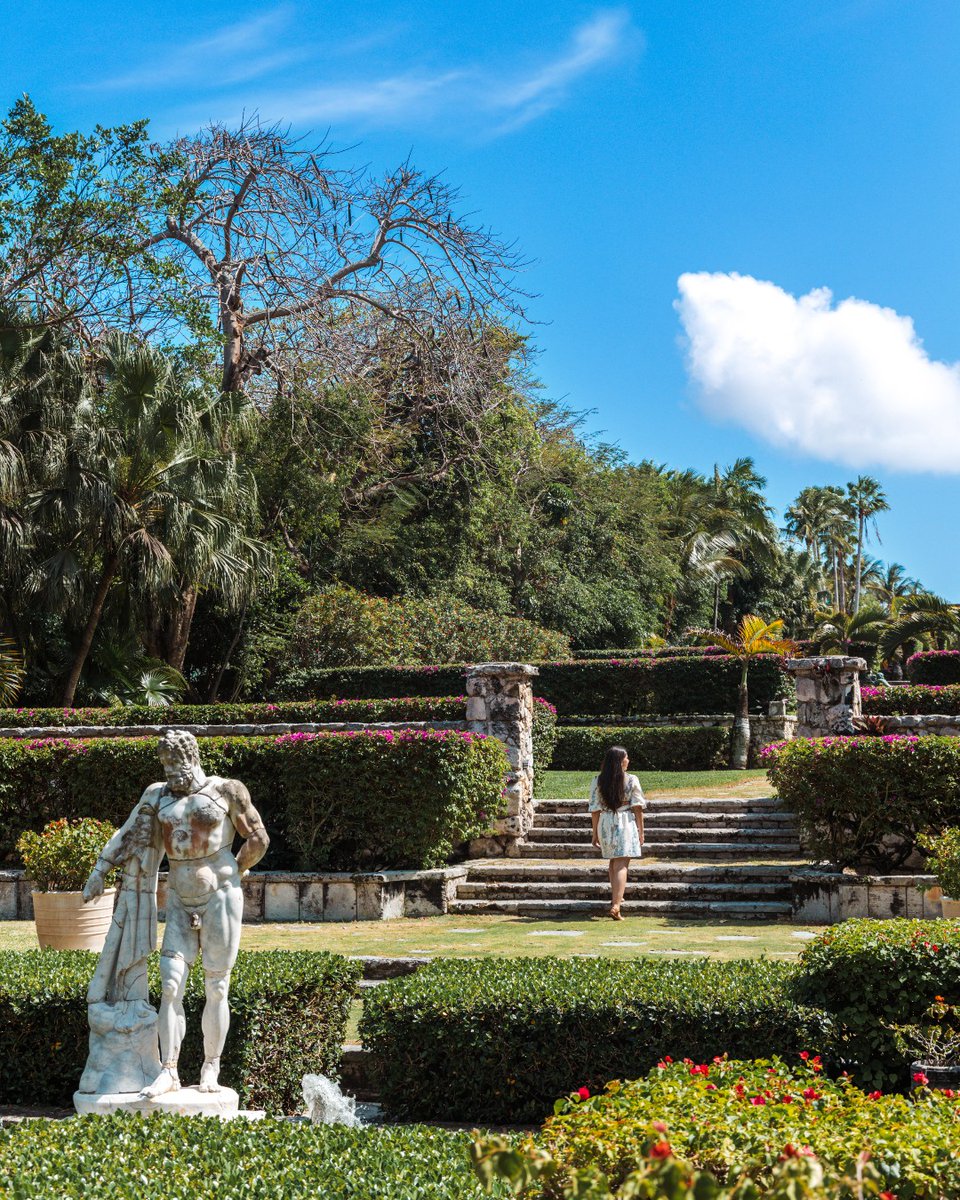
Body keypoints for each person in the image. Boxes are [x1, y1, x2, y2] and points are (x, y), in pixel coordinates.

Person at [82, 729, 269, 1097]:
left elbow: (258, 838)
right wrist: (100, 870)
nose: (168, 769)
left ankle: (210, 1067)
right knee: (170, 984)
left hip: (220, 896)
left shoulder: (226, 790)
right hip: (181, 899)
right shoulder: (157, 795)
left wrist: (236, 870)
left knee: (216, 985)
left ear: (191, 756)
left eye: (173, 761)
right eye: (164, 762)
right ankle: (169, 1069)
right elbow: (128, 832)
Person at [588, 745, 645, 920]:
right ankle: (616, 905)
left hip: (605, 821)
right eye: (626, 757)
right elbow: (637, 808)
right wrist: (641, 831)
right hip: (625, 821)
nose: (628, 760)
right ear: (620, 761)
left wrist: (595, 832)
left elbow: (595, 809)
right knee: (622, 864)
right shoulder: (631, 780)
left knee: (613, 862)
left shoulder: (598, 780)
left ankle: (616, 898)